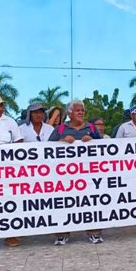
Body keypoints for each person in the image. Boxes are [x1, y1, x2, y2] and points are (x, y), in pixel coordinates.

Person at [48, 100, 102, 245]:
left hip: (89, 175)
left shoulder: (91, 128)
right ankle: (62, 233)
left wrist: (93, 140)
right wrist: (62, 141)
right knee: (64, 203)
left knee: (91, 202)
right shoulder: (60, 129)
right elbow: (46, 149)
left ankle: (94, 232)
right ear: (70, 113)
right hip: (65, 176)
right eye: (77, 110)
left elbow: (104, 148)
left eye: (82, 110)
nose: (81, 113)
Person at [0, 93, 23, 247]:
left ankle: (10, 234)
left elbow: (19, 142)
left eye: (0, 105)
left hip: (6, 170)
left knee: (7, 200)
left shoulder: (10, 122)